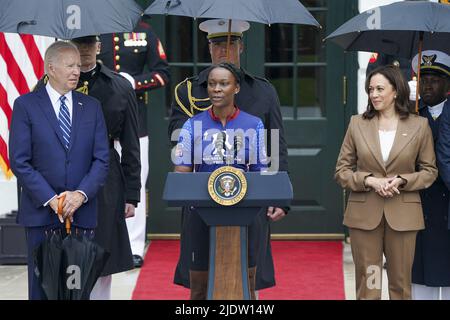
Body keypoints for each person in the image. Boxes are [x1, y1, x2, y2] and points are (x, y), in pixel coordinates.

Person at [168, 19, 288, 294]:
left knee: (247, 278)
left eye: (231, 43)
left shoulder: (263, 91)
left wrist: (278, 193)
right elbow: (176, 140)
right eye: (217, 43)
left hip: (250, 197)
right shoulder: (190, 91)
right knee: (199, 281)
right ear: (209, 48)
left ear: (241, 46)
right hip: (201, 195)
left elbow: (275, 143)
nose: (224, 50)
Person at [35, 36, 142, 299]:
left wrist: (131, 194)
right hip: (60, 173)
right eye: (78, 45)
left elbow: (130, 143)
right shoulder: (48, 84)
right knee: (62, 253)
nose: (83, 50)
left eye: (88, 44)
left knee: (102, 252)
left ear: (98, 46)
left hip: (104, 177)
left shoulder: (118, 85)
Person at [9, 41, 110, 300]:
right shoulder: (26, 105)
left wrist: (80, 195)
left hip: (81, 214)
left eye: (78, 65)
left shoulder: (92, 106)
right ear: (50, 68)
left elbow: (101, 159)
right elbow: (20, 161)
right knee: (42, 290)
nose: (77, 70)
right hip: (41, 215)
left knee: (76, 291)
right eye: (70, 65)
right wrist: (53, 200)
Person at [335, 65, 438, 299]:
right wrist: (369, 181)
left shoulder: (419, 126)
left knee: (401, 286)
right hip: (364, 217)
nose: (374, 94)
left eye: (380, 89)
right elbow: (342, 171)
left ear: (396, 91)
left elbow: (429, 172)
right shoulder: (357, 124)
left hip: (403, 218)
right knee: (369, 285)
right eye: (370, 89)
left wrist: (402, 180)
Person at [174, 62, 267, 299]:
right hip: (202, 216)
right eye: (212, 84)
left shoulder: (254, 125)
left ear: (236, 88)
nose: (216, 89)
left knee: (246, 285)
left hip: (244, 216)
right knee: (198, 289)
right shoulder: (192, 125)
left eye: (224, 84)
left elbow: (260, 171)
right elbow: (181, 172)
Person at [98, 18, 170, 268]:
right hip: (99, 119)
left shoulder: (144, 31)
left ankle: (134, 245)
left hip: (134, 119)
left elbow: (162, 74)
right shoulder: (94, 29)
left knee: (135, 182)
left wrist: (134, 82)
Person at [412, 50, 450, 299]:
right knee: (420, 277)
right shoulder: (413, 117)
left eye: (434, 80)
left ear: (447, 85)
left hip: (447, 207)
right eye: (423, 80)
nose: (427, 85)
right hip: (421, 207)